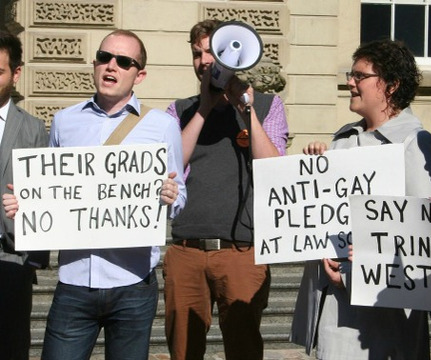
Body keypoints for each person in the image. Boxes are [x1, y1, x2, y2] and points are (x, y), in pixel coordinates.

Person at [3, 29, 186, 360]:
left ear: (139, 74)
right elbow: (52, 190)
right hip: (74, 282)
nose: (111, 66)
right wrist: (25, 204)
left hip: (133, 283)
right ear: (95, 63)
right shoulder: (63, 121)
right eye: (105, 57)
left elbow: (180, 197)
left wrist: (171, 196)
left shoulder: (162, 126)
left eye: (124, 61)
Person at [290, 39, 431, 359]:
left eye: (359, 75)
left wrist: (363, 266)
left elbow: (427, 238)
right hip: (335, 308)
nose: (350, 82)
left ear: (390, 85)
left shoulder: (415, 143)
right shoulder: (344, 137)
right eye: (351, 74)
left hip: (380, 325)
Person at [163, 19, 289, 360]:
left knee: (244, 346)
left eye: (211, 52)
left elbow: (273, 169)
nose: (204, 61)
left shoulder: (267, 106)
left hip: (242, 251)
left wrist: (244, 108)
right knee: (183, 348)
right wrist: (205, 105)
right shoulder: (179, 110)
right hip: (186, 248)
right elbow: (173, 162)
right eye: (197, 54)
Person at [0, 30, 49, 360]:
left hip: (11, 261)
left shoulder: (33, 129)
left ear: (16, 73)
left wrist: (33, 260)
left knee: (12, 347)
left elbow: (46, 196)